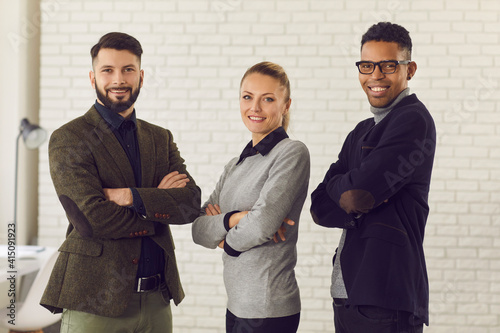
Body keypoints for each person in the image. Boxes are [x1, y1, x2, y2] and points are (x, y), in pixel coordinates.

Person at [40, 32, 201, 333]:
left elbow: (190, 204)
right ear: (93, 78)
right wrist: (157, 204)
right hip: (95, 302)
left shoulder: (160, 137)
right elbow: (91, 220)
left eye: (128, 69)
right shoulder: (69, 139)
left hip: (157, 301)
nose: (119, 79)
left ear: (141, 76)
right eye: (108, 70)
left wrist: (130, 197)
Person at [310, 22, 435, 333]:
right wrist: (352, 186)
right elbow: (319, 206)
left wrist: (347, 185)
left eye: (388, 65)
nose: (376, 75)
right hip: (348, 295)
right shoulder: (362, 131)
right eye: (367, 65)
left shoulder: (412, 120)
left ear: (410, 69)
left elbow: (357, 195)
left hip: (384, 297)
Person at [192, 61, 310, 333]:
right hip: (236, 304)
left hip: (268, 308)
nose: (254, 108)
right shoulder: (236, 165)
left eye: (267, 99)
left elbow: (261, 225)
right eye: (248, 97)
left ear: (286, 105)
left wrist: (224, 238)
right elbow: (198, 229)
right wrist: (237, 217)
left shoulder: (291, 153)